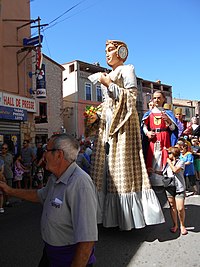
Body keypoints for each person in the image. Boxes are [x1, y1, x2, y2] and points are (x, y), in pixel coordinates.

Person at [87, 39, 164, 230]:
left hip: (122, 125)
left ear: (121, 52)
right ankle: (104, 216)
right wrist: (94, 115)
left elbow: (131, 98)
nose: (107, 53)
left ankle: (125, 217)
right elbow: (107, 104)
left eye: (111, 50)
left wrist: (109, 84)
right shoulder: (109, 73)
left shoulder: (127, 69)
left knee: (120, 167)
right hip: (107, 126)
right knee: (102, 168)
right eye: (105, 50)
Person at [0, 133, 98, 267]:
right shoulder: (54, 178)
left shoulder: (80, 184)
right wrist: (10, 190)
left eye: (47, 150)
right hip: (50, 254)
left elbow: (87, 240)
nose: (43, 155)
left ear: (59, 155)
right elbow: (39, 195)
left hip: (69, 259)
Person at [141, 91, 178, 186]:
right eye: (154, 98)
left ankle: (165, 179)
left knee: (164, 156)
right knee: (153, 156)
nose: (156, 100)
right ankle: (153, 180)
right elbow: (144, 126)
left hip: (164, 137)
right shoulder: (149, 113)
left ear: (163, 99)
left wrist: (169, 121)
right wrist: (147, 132)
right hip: (153, 138)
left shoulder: (168, 113)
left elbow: (173, 129)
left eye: (159, 98)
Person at [152, 147, 187, 235]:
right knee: (172, 206)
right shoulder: (167, 164)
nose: (168, 155)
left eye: (169, 153)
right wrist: (154, 171)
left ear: (174, 154)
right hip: (169, 187)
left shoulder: (181, 162)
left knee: (180, 208)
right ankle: (175, 225)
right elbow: (164, 173)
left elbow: (175, 170)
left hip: (179, 187)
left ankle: (182, 225)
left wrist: (169, 162)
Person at [0, 143, 13, 207]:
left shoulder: (10, 156)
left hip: (9, 174)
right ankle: (2, 202)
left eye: (5, 148)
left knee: (8, 189)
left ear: (7, 149)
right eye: (2, 148)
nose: (4, 149)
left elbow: (11, 165)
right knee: (2, 190)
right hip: (1, 176)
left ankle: (7, 201)